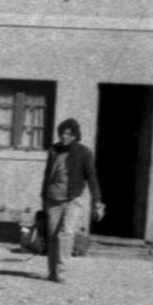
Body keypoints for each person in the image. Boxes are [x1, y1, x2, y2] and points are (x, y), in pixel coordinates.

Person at [39, 118, 99, 283]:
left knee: (66, 234)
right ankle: (52, 272)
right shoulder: (54, 150)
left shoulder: (84, 152)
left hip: (73, 198)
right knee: (52, 236)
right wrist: (43, 198)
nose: (64, 137)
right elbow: (46, 176)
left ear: (75, 135)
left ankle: (61, 271)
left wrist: (97, 201)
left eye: (68, 134)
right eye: (62, 133)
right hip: (53, 199)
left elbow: (92, 178)